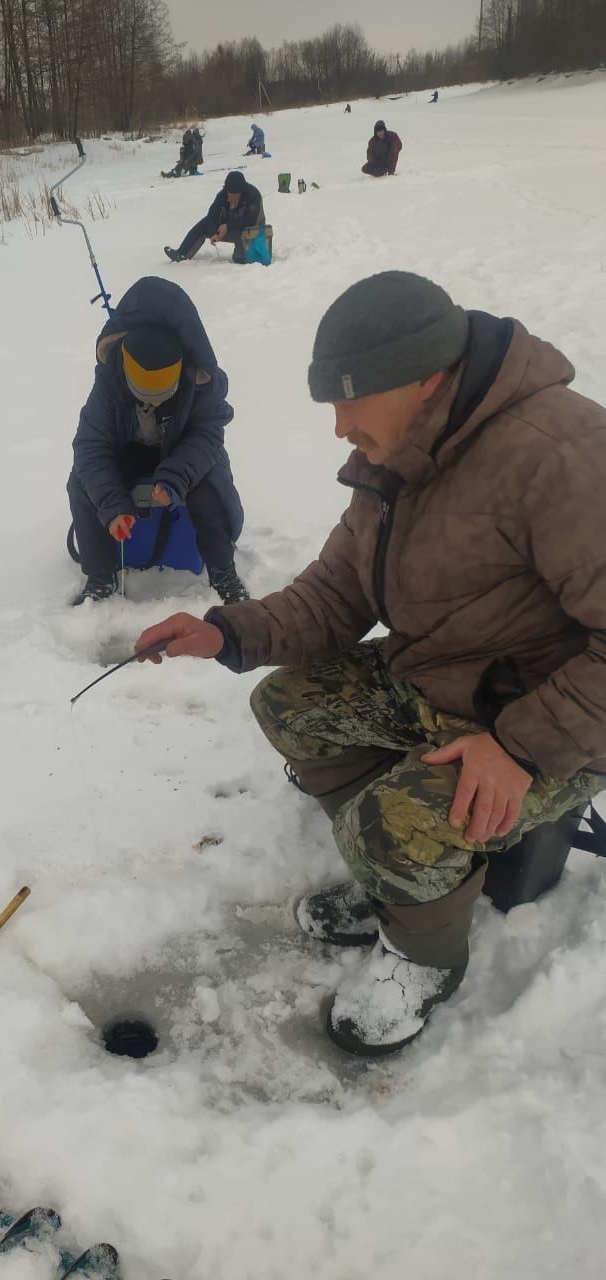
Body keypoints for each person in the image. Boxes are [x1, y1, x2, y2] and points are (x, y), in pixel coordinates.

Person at [133, 270, 606, 1055]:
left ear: (425, 379)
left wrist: (520, 748)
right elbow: (336, 593)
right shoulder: (402, 455)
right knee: (289, 707)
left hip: (549, 726)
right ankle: (408, 886)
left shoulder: (560, 455)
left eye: (350, 400)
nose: (339, 427)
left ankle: (426, 956)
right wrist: (225, 631)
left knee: (396, 826)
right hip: (444, 683)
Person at [67, 276, 248, 607]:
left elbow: (207, 434)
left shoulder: (204, 379)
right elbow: (91, 447)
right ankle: (100, 575)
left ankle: (223, 570)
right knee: (80, 482)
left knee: (210, 484)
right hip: (131, 451)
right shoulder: (109, 381)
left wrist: (176, 476)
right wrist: (112, 505)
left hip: (183, 448)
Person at [164, 171, 265, 265]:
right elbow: (212, 216)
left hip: (252, 231)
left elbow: (250, 221)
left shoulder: (253, 195)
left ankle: (242, 255)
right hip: (228, 228)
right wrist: (214, 233)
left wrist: (228, 227)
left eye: (235, 196)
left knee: (240, 259)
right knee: (204, 224)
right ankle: (182, 253)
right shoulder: (222, 195)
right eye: (230, 194)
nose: (232, 198)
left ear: (241, 192)